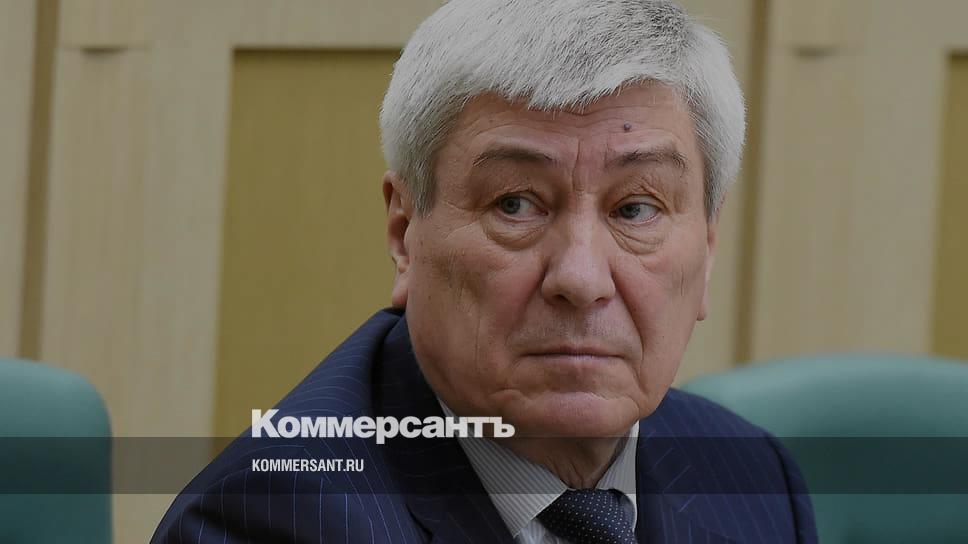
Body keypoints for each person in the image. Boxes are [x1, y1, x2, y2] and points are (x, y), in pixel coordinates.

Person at [153, 0, 817, 542]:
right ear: (404, 235)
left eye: (635, 209)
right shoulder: (273, 519)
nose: (582, 279)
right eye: (515, 204)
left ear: (708, 246)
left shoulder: (752, 475)